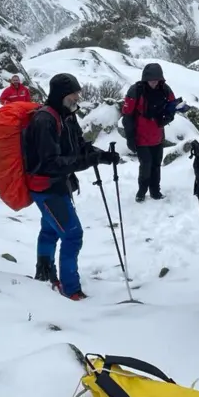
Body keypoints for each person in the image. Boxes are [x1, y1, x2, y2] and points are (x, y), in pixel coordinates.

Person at [22, 72, 120, 300]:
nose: (78, 97)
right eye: (74, 93)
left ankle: (45, 274)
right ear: (61, 95)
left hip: (59, 184)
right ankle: (70, 288)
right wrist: (89, 161)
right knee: (72, 234)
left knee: (50, 229)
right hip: (46, 187)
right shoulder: (44, 120)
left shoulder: (67, 116)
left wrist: (103, 156)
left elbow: (79, 146)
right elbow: (50, 163)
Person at [121, 62, 176, 202]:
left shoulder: (165, 89)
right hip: (141, 137)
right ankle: (141, 191)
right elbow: (127, 115)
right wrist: (130, 137)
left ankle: (155, 191)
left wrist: (168, 116)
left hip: (157, 135)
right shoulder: (135, 91)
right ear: (145, 79)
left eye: (156, 80)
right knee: (146, 165)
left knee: (156, 164)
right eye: (151, 80)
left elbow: (172, 106)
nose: (153, 82)